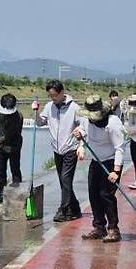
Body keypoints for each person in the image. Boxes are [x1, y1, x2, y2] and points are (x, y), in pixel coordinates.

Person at [72, 95, 125, 243]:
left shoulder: (112, 123)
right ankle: (99, 227)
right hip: (96, 162)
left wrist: (116, 171)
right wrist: (79, 136)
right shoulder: (86, 118)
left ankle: (114, 229)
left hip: (110, 162)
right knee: (93, 194)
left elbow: (119, 148)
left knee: (106, 195)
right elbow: (83, 129)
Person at [35, 80, 82, 222]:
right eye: (50, 96)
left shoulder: (74, 108)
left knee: (66, 180)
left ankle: (63, 210)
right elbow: (40, 122)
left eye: (54, 95)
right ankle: (75, 209)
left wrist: (80, 144)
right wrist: (36, 112)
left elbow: (83, 125)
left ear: (62, 92)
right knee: (63, 182)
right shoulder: (50, 107)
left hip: (70, 149)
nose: (52, 98)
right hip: (57, 149)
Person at [0, 93, 23, 203]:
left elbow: (8, 135)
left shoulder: (17, 116)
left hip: (14, 146)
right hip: (1, 147)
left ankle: (17, 192)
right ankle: (1, 193)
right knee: (1, 171)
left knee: (15, 169)